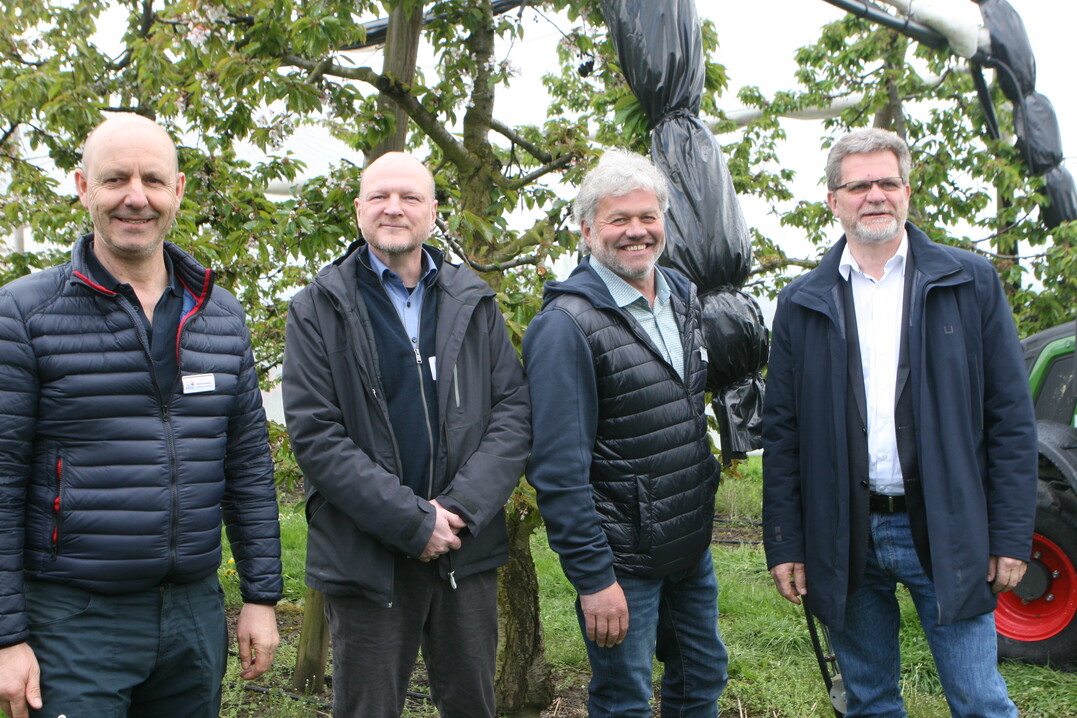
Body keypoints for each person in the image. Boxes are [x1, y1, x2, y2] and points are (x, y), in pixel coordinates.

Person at [0, 114, 282, 718]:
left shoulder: (220, 317)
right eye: (114, 180)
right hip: (74, 620)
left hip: (193, 616)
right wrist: (6, 636)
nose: (136, 197)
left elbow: (250, 469)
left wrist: (260, 596)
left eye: (153, 180)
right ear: (82, 187)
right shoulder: (25, 315)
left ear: (178, 191)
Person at [762, 128, 1037, 717]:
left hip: (949, 525)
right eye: (858, 185)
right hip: (845, 531)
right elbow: (782, 433)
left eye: (887, 182)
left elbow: (1011, 418)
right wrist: (785, 540)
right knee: (869, 701)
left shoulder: (969, 282)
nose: (875, 195)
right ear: (833, 200)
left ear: (908, 191)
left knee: (981, 700)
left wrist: (1012, 534)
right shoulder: (802, 301)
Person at [282, 151, 530, 718]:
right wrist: (411, 521)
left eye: (410, 197)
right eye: (380, 197)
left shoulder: (475, 300)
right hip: (368, 555)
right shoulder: (318, 308)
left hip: (463, 551)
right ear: (358, 210)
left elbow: (513, 412)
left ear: (433, 211)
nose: (394, 209)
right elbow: (317, 436)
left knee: (471, 705)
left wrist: (460, 508)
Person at [524, 150, 728, 717]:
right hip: (621, 560)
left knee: (703, 677)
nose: (636, 231)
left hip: (688, 546)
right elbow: (558, 470)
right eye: (618, 220)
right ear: (588, 231)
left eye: (648, 216)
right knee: (625, 700)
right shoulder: (565, 327)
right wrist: (594, 578)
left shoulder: (682, 296)